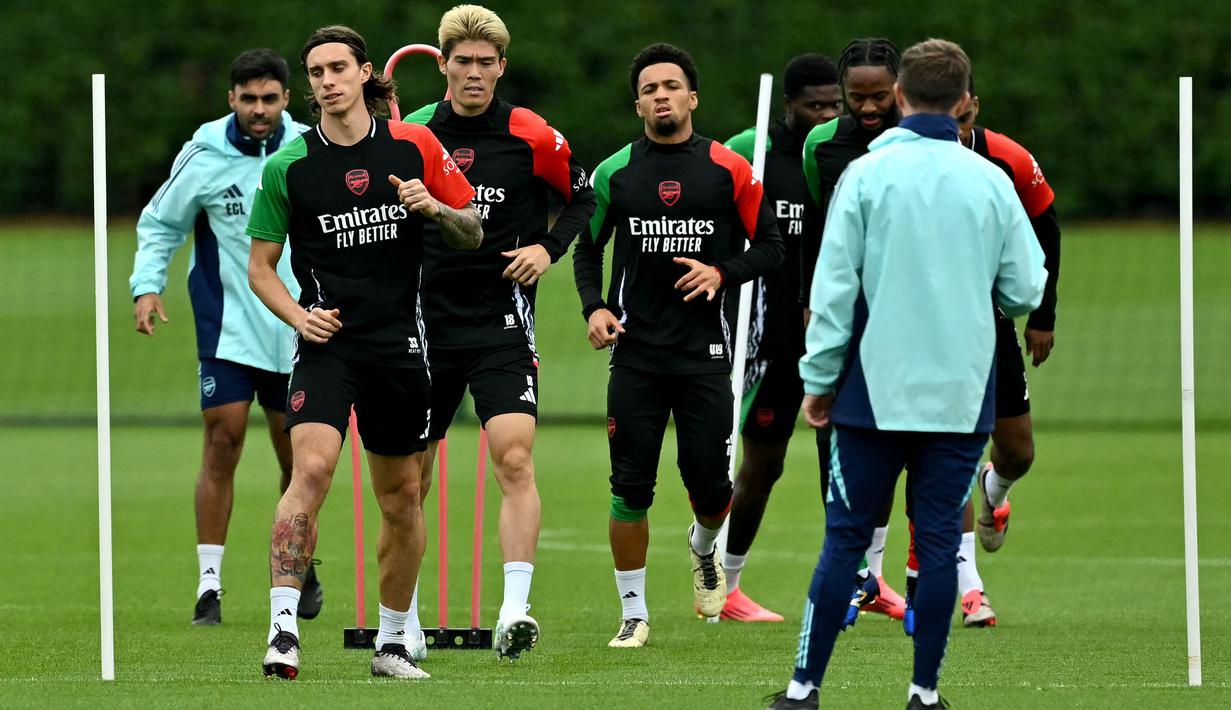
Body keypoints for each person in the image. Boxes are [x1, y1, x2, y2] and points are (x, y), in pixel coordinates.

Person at [767, 39, 1045, 710]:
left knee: (844, 540)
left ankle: (803, 691)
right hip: (957, 397)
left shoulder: (864, 174)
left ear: (898, 97)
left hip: (871, 394)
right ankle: (923, 693)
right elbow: (1024, 288)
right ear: (964, 103)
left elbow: (831, 292)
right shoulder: (989, 179)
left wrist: (818, 380)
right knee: (941, 541)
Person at [245, 25, 482, 680]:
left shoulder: (416, 144)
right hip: (328, 347)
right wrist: (299, 317)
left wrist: (433, 206)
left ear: (363, 73)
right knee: (311, 470)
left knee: (402, 497)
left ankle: (391, 644)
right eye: (316, 71)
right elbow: (260, 267)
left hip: (401, 346)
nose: (326, 80)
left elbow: (472, 230)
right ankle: (282, 630)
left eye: (337, 68)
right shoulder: (287, 165)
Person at [401, 4, 596, 661]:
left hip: (502, 320)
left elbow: (584, 196)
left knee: (513, 454)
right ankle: (405, 620)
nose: (475, 72)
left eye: (487, 62)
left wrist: (546, 248)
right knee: (410, 477)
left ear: (501, 67)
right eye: (463, 61)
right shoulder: (414, 133)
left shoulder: (531, 134)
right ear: (444, 65)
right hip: (423, 323)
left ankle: (514, 611)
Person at [574, 43, 784, 648]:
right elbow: (587, 250)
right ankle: (634, 614)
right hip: (635, 355)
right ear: (637, 102)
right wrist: (595, 308)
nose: (660, 95)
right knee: (630, 487)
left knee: (714, 488)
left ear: (692, 97)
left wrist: (723, 273)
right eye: (649, 88)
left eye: (671, 85)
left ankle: (702, 545)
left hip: (705, 356)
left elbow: (769, 245)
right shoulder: (614, 172)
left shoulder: (728, 169)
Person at [129, 48, 319, 627]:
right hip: (226, 323)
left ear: (286, 99)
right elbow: (162, 222)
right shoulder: (205, 152)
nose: (259, 110)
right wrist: (146, 286)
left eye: (269, 99)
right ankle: (209, 584)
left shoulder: (309, 148)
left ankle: (300, 562)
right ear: (231, 99)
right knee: (224, 438)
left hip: (296, 322)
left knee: (299, 453)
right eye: (248, 99)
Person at [900, 74, 1063, 631]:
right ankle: (971, 588)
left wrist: (1041, 315)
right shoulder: (905, 164)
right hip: (928, 333)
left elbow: (1047, 230)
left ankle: (996, 489)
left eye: (963, 120)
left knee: (1017, 451)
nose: (953, 130)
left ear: (972, 110)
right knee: (950, 455)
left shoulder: (1007, 161)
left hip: (989, 326)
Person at [719, 53, 842, 622]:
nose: (825, 115)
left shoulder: (838, 150)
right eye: (814, 105)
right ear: (789, 103)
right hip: (768, 336)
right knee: (763, 464)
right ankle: (725, 583)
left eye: (833, 104)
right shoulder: (750, 149)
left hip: (827, 329)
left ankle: (854, 579)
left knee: (839, 455)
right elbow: (707, 200)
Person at [799, 38, 907, 623]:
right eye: (856, 97)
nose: (868, 108)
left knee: (901, 437)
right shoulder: (822, 144)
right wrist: (810, 306)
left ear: (901, 89)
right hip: (846, 314)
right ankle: (852, 575)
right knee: (833, 438)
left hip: (910, 315)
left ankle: (889, 571)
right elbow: (819, 235)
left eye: (880, 96)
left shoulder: (918, 139)